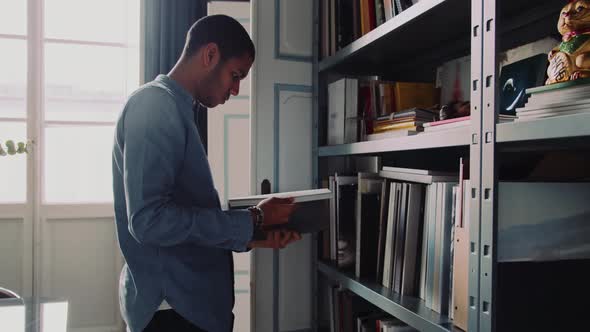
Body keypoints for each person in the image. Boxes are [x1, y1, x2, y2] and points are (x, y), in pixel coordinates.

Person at [112, 14, 301, 332]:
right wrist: (252, 219)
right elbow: (149, 221)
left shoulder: (174, 108)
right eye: (235, 75)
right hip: (174, 312)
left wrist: (252, 236)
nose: (237, 89)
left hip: (186, 307)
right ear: (210, 55)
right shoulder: (154, 106)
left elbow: (183, 220)